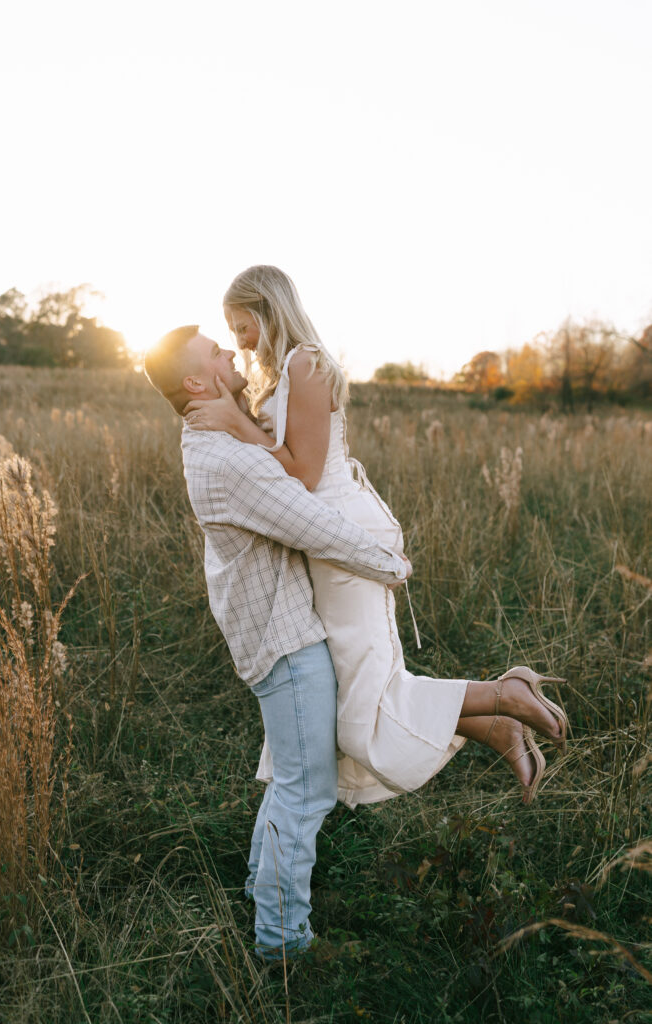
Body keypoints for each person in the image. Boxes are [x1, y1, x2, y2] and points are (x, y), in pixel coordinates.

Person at [145, 323, 568, 962]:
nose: (230, 353)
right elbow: (311, 522)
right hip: (284, 641)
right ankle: (283, 945)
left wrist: (239, 419)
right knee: (304, 788)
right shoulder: (223, 456)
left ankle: (266, 901)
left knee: (303, 768)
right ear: (195, 382)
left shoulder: (214, 438)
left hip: (283, 633)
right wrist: (388, 563)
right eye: (215, 351)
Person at [183, 266, 569, 810]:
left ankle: (507, 696)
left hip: (343, 532)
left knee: (366, 706)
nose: (238, 340)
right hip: (320, 539)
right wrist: (236, 415)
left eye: (241, 325)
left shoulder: (306, 363)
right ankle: (495, 727)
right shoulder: (280, 373)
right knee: (352, 701)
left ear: (268, 309)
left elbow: (304, 473)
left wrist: (234, 423)